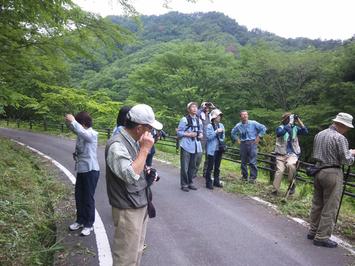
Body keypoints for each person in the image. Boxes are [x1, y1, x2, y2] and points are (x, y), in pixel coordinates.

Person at [105, 104, 163, 265]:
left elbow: (135, 167)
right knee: (125, 257)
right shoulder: (117, 145)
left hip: (138, 203)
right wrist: (145, 150)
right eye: (149, 128)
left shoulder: (132, 140)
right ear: (139, 128)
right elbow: (130, 175)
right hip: (127, 208)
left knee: (136, 251)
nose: (151, 132)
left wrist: (147, 170)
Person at [308, 112, 355, 248]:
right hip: (332, 173)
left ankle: (313, 231)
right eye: (347, 127)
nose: (347, 130)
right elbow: (346, 160)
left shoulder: (320, 134)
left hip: (318, 171)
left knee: (317, 203)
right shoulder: (340, 138)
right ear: (343, 125)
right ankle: (322, 237)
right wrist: (352, 154)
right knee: (330, 206)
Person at [65, 112, 100, 236]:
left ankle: (89, 224)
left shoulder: (92, 134)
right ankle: (80, 220)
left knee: (88, 198)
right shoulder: (81, 133)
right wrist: (69, 121)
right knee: (79, 196)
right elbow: (76, 130)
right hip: (81, 169)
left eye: (78, 124)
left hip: (91, 170)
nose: (75, 127)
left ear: (83, 123)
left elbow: (84, 134)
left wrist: (73, 121)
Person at [272, 113, 308, 195]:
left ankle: (292, 185)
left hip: (292, 154)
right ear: (285, 120)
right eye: (288, 118)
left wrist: (298, 120)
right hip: (280, 154)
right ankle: (275, 189)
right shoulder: (280, 128)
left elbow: (305, 131)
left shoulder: (295, 128)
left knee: (291, 165)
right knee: (280, 171)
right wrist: (290, 123)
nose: (290, 120)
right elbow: (280, 133)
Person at [231, 110, 266, 183]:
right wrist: (237, 139)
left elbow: (263, 128)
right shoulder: (238, 125)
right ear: (240, 117)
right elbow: (233, 133)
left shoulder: (253, 123)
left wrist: (258, 137)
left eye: (246, 114)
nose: (245, 116)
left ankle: (253, 178)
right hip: (243, 143)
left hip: (252, 143)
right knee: (243, 161)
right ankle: (244, 176)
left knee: (252, 161)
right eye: (243, 115)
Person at [177, 102, 203, 192]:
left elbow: (200, 131)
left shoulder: (199, 120)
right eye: (193, 107)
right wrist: (188, 134)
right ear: (188, 109)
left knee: (193, 166)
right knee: (185, 166)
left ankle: (190, 182)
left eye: (196, 107)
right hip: (186, 145)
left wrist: (201, 135)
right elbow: (179, 132)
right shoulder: (184, 119)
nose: (195, 108)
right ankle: (184, 184)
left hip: (196, 145)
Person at [205, 109, 225, 189]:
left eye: (220, 116)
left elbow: (223, 137)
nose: (219, 117)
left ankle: (216, 181)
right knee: (210, 167)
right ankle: (208, 182)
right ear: (214, 117)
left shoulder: (221, 125)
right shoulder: (210, 126)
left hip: (219, 149)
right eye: (218, 115)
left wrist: (221, 134)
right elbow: (209, 137)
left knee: (217, 167)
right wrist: (216, 131)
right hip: (212, 149)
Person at [195, 102, 215, 178]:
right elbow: (197, 113)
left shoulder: (211, 116)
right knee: (198, 155)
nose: (207, 107)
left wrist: (212, 106)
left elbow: (216, 112)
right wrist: (202, 107)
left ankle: (206, 173)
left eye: (208, 107)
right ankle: (194, 172)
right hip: (201, 138)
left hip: (209, 138)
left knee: (208, 156)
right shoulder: (199, 114)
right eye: (206, 106)